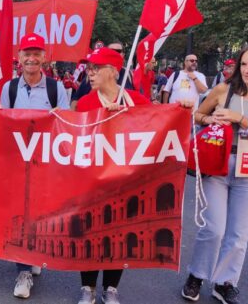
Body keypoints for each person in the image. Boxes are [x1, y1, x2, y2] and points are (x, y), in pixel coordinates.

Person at [182, 41, 248, 304]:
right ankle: (197, 275)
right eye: (244, 63)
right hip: (218, 163)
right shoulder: (224, 89)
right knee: (214, 228)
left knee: (239, 234)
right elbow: (197, 115)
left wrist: (242, 119)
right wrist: (210, 119)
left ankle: (225, 282)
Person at [75, 47, 154, 304]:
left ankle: (111, 288)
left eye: (95, 68)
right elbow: (74, 136)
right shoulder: (86, 102)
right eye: (89, 68)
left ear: (113, 72)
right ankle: (87, 288)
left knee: (118, 235)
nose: (90, 73)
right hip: (92, 179)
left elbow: (157, 125)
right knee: (90, 232)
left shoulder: (136, 100)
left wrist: (184, 107)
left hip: (125, 180)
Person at [0, 33, 69, 299]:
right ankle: (23, 270)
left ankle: (35, 254)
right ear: (20, 57)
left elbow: (63, 124)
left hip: (46, 164)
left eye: (37, 53)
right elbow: (2, 123)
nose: (32, 58)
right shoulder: (10, 88)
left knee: (41, 213)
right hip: (18, 164)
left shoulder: (56, 88)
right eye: (27, 53)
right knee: (21, 215)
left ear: (44, 57)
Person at [71, 42, 134, 106]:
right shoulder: (85, 103)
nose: (90, 73)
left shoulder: (130, 75)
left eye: (118, 51)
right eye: (110, 50)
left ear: (123, 54)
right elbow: (76, 100)